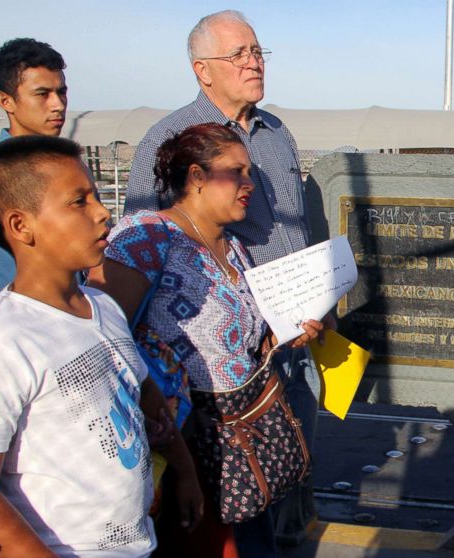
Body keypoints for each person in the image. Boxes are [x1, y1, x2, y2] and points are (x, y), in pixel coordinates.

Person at [122, 10, 327, 537]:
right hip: (206, 372)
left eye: (258, 51)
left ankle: (284, 533)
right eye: (238, 54)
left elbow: (293, 225)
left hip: (285, 335)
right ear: (202, 70)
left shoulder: (276, 133)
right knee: (222, 506)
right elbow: (137, 247)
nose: (253, 62)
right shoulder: (167, 138)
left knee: (285, 458)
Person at [88, 123, 323, 557]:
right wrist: (174, 456)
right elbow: (103, 343)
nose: (249, 184)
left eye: (249, 172)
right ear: (196, 177)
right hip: (182, 444)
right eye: (236, 172)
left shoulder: (234, 248)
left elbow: (241, 343)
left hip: (240, 452)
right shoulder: (146, 238)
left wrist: (284, 334)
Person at [0, 135, 175, 556]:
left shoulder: (103, 306)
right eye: (78, 202)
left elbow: (138, 390)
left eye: (97, 197)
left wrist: (181, 466)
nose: (103, 213)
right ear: (20, 226)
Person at [0, 38, 68, 321]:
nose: (58, 105)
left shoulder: (70, 170)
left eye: (62, 92)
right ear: (5, 101)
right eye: (42, 94)